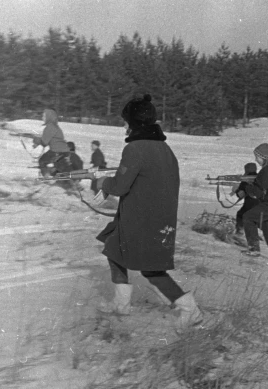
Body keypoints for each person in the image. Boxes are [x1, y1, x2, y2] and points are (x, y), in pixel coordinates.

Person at [93, 94, 203, 331]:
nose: (124, 126)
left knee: (152, 270)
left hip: (142, 221)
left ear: (134, 123)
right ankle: (121, 304)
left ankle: (189, 309)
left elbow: (121, 186)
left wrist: (103, 182)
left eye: (126, 121)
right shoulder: (164, 148)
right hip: (154, 218)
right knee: (114, 249)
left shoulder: (135, 148)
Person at [33, 109, 72, 176]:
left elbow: (44, 142)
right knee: (57, 166)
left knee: (42, 161)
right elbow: (49, 139)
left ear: (49, 117)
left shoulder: (49, 127)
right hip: (65, 151)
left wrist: (36, 141)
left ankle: (47, 177)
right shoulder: (55, 126)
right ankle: (56, 176)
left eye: (44, 116)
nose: (42, 118)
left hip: (56, 151)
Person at [232, 162, 259, 235]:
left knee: (240, 215)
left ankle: (240, 232)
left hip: (250, 205)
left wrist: (236, 190)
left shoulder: (246, 179)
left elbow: (241, 195)